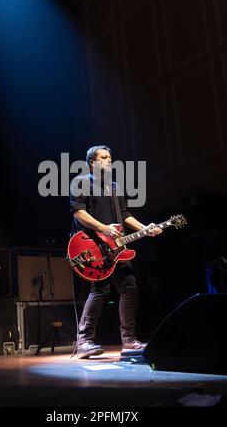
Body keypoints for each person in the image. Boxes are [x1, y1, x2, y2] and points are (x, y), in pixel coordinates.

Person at [70, 145, 162, 359]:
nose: (109, 160)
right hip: (93, 245)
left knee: (129, 288)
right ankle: (84, 341)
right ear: (92, 162)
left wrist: (144, 228)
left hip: (118, 247)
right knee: (100, 289)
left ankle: (129, 341)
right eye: (104, 157)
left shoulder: (114, 186)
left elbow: (124, 214)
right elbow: (79, 213)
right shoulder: (81, 182)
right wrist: (103, 228)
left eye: (110, 157)